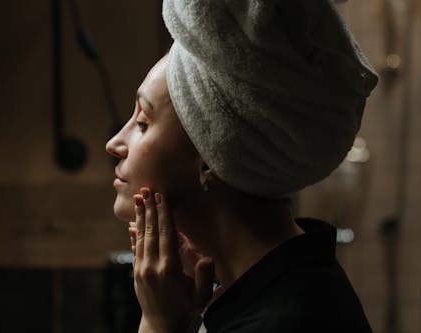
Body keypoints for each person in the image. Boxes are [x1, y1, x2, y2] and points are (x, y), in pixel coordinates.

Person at [106, 0, 378, 332]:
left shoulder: (282, 321)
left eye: (143, 123)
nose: (115, 144)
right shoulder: (290, 283)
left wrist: (159, 324)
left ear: (211, 157)